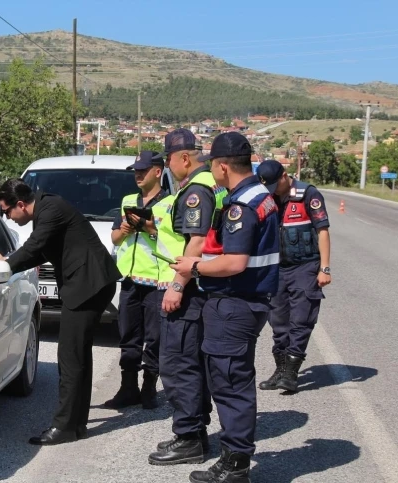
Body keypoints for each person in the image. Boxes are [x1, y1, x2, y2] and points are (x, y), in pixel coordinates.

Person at [171, 132, 280, 483]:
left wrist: (193, 268)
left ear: (221, 166)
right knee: (233, 380)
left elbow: (234, 263)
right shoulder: (260, 195)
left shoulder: (241, 205)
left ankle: (234, 465)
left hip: (235, 304)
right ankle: (236, 460)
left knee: (230, 384)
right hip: (248, 303)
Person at [0, 178, 121, 446]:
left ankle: (65, 427)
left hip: (88, 285)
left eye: (6, 211)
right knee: (78, 356)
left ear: (21, 205)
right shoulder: (46, 208)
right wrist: (10, 260)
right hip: (90, 284)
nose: (7, 217)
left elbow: (35, 246)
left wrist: (6, 265)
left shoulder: (50, 210)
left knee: (70, 358)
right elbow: (43, 250)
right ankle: (76, 424)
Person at [147, 129, 227, 466]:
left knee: (178, 364)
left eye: (167, 159)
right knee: (189, 363)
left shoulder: (196, 190)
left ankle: (190, 437)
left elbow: (195, 242)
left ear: (183, 158)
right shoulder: (211, 185)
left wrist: (177, 286)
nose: (166, 165)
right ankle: (192, 433)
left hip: (189, 288)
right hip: (201, 286)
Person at [256, 160, 332, 393]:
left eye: (274, 185)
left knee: (301, 320)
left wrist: (325, 268)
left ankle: (291, 373)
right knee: (278, 322)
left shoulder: (309, 195)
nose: (273, 191)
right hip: (277, 269)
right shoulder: (268, 198)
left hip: (305, 267)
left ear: (284, 176)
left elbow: (323, 231)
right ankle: (280, 369)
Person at [105, 150, 166, 410]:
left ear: (158, 172)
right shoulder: (128, 200)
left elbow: (174, 241)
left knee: (154, 338)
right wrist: (125, 229)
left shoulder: (170, 203)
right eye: (136, 170)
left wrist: (150, 229)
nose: (138, 174)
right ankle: (128, 387)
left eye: (143, 170)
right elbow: (114, 238)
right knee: (128, 336)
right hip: (129, 279)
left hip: (156, 281)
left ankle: (149, 388)